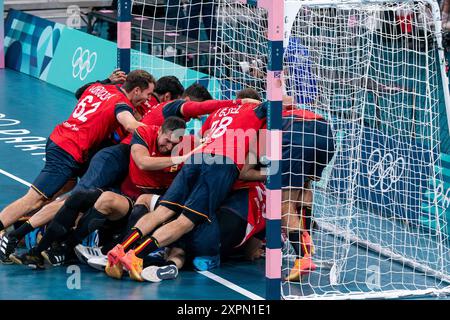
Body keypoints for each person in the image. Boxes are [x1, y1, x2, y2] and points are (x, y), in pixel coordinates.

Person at [104, 98, 267, 281]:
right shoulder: (256, 110)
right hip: (222, 163)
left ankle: (120, 249)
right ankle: (137, 255)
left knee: (162, 212)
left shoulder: (218, 113)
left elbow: (202, 139)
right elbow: (277, 104)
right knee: (186, 221)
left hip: (196, 159)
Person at [0, 70, 155, 246]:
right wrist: (155, 132)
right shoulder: (121, 103)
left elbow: (80, 92)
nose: (148, 99)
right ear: (136, 90)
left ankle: (24, 227)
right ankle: (9, 229)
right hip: (68, 150)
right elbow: (129, 124)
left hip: (62, 140)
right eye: (147, 94)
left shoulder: (99, 87)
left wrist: (107, 80)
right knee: (33, 199)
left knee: (67, 188)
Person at [9, 117, 188, 268]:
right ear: (160, 132)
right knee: (79, 196)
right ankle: (33, 248)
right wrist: (178, 158)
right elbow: (142, 162)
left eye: (174, 144)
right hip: (124, 193)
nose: (168, 146)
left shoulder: (187, 149)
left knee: (107, 200)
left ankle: (66, 248)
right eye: (167, 141)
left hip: (141, 204)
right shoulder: (146, 133)